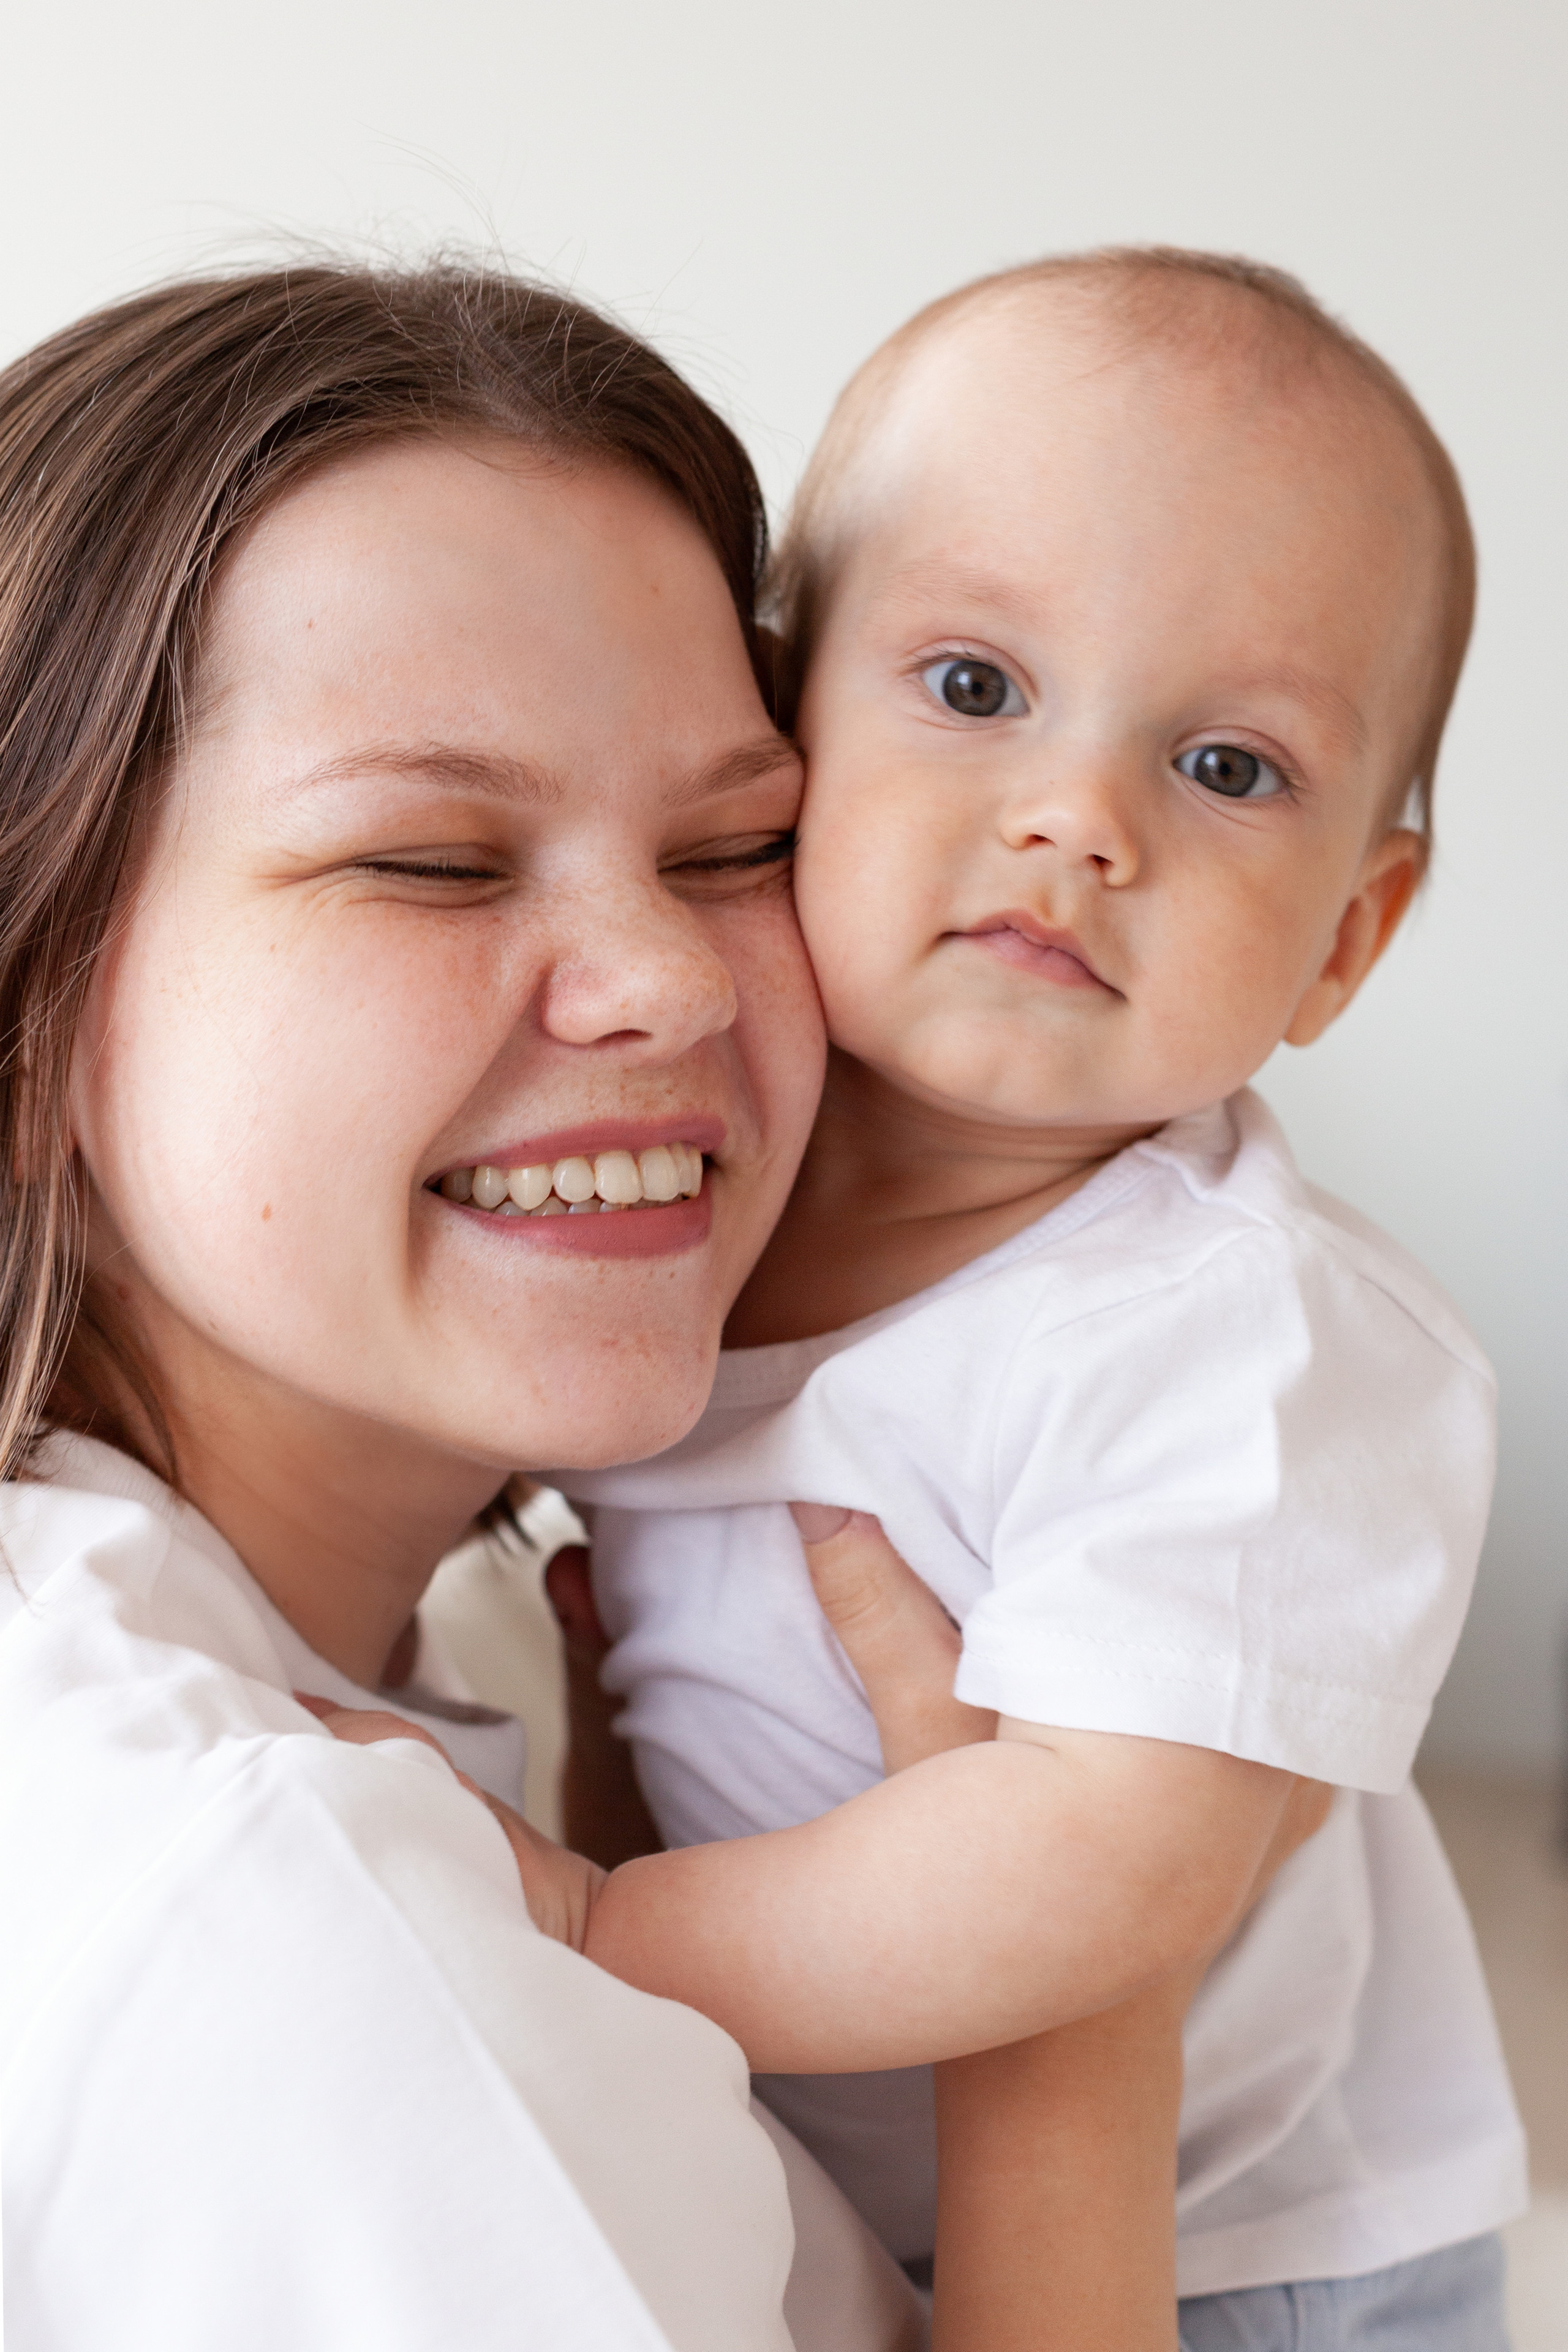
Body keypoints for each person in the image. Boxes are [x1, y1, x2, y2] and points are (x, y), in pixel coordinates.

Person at [492, 251, 1528, 2347]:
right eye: (974, 688)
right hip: (844, 2200)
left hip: (1253, 2260)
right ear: (776, 729)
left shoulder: (1248, 1339)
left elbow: (1097, 1874)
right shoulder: (659, 1192)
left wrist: (592, 1933)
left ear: (1348, 937)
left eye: (1228, 767)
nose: (1080, 819)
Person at [0, 258, 937, 2352]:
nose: (672, 977)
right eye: (433, 861)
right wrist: (1071, 2003)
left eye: (739, 847)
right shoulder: (276, 1901)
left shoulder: (475, 1658)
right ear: (30, 1004)